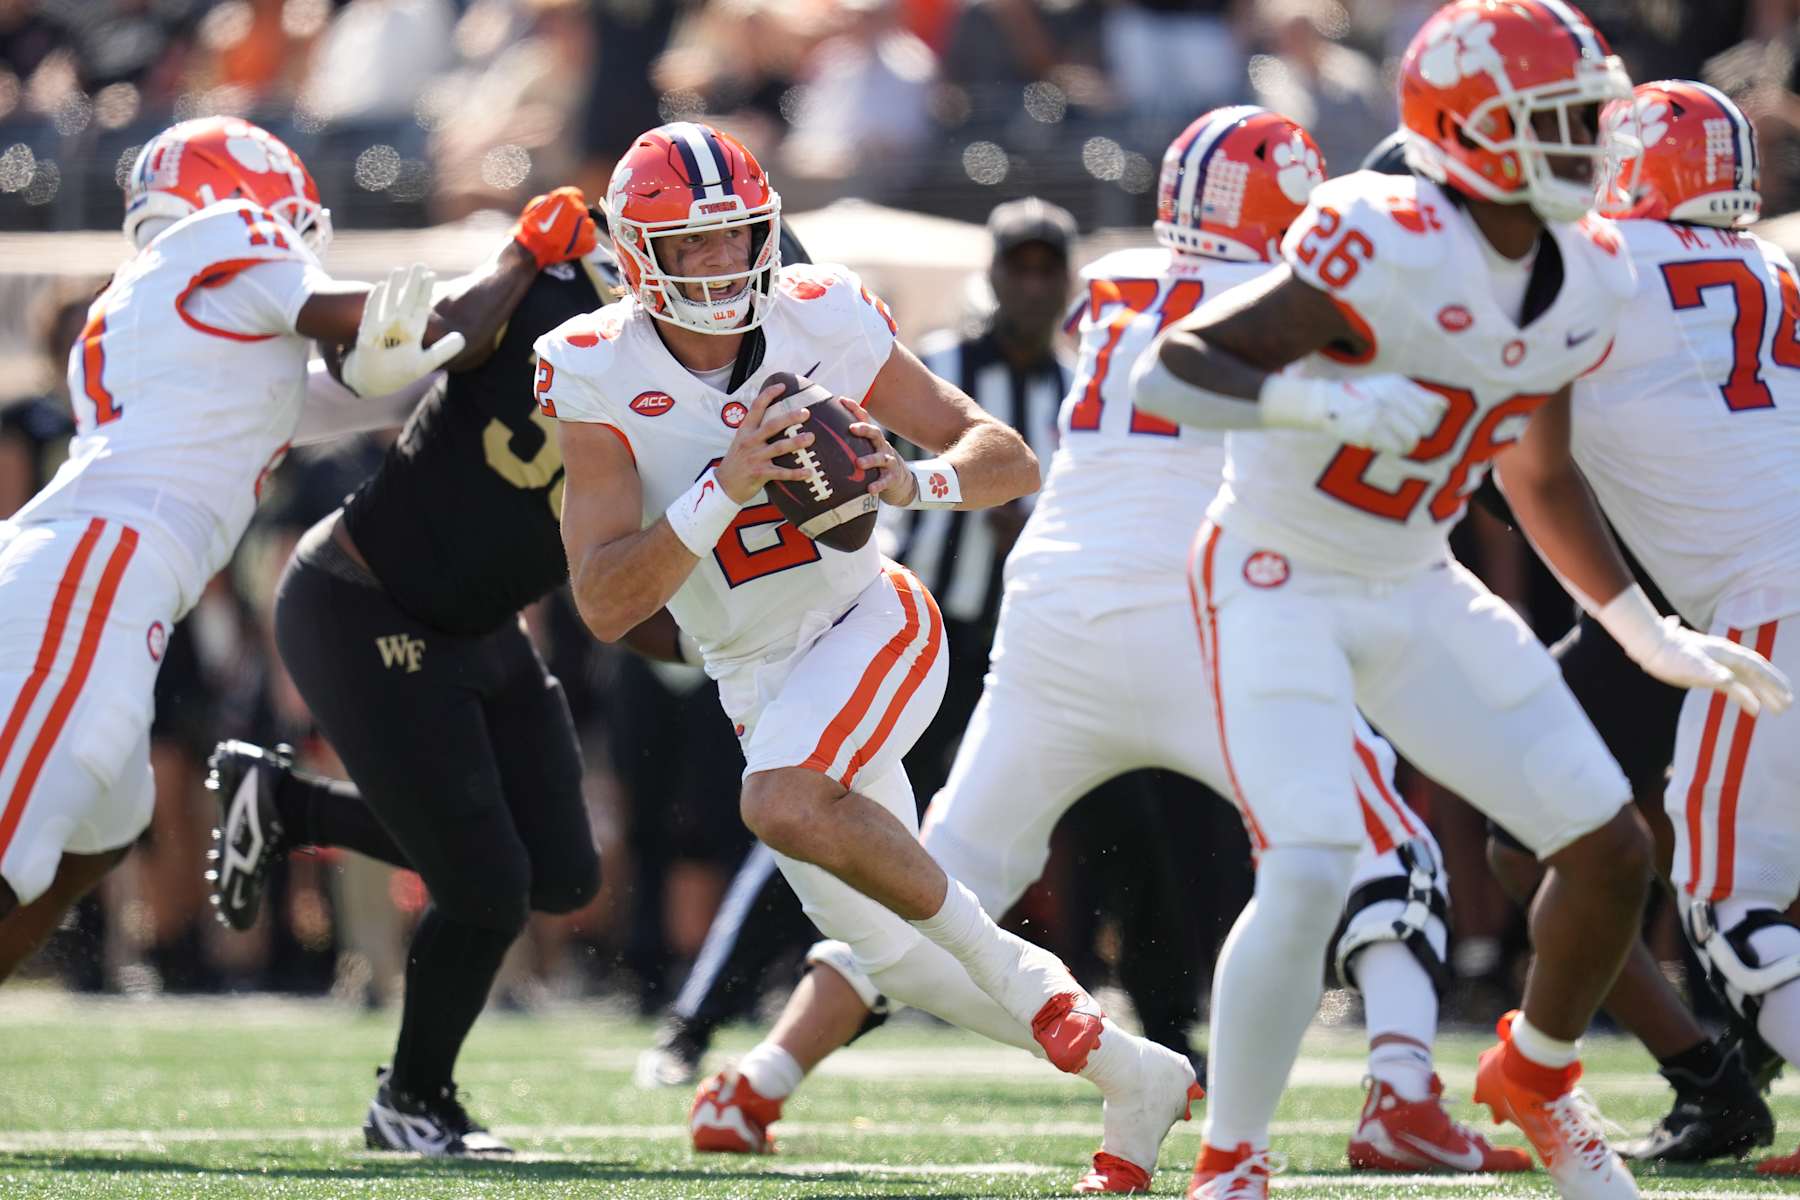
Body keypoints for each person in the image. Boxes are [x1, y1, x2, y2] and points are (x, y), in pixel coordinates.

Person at [681, 107, 1531, 1185]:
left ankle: (759, 1080)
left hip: (1053, 615)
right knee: (1384, 844)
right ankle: (1403, 1093)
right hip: (1199, 615)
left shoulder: (1118, 285)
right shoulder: (1312, 294)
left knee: (941, 880)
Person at [1129, 5, 1789, 1198]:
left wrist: (1643, 630)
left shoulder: (1589, 269)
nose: (1590, 140)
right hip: (1278, 570)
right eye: (1561, 119)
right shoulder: (1382, 230)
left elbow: (1541, 473)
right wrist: (1318, 403)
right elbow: (1171, 369)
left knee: (1608, 852)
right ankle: (1231, 1162)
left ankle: (1537, 1078)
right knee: (1311, 864)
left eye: (1590, 115)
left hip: (1413, 574)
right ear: (1467, 127)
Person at [544, 120, 1198, 1191]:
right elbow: (607, 602)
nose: (719, 262)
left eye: (735, 234)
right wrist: (724, 487)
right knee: (901, 960)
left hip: (868, 624)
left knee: (779, 801)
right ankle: (1135, 1075)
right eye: (691, 242)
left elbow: (1003, 455)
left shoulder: (820, 313)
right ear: (635, 254)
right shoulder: (593, 367)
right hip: (752, 673)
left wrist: (906, 481)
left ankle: (1042, 994)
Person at [0, 115, 524, 983]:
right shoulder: (228, 232)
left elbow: (369, 384)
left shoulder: (172, 319)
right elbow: (403, 328)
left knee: (97, 838)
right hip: (94, 575)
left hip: (95, 574)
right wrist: (525, 258)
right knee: (12, 850)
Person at [1358, 125, 1778, 1165]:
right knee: (1546, 824)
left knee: (1720, 883)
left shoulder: (1579, 264)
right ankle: (1708, 1070)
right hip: (1680, 591)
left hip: (1707, 597)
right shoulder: (1764, 265)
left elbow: (1525, 477)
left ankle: (1701, 1051)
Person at [200, 191, 642, 1154]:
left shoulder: (708, 372)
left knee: (561, 877)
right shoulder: (553, 291)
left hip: (479, 622)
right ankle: (411, 1099)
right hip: (367, 599)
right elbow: (436, 339)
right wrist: (522, 255)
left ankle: (288, 807)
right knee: (486, 888)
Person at [1573, 78, 1800, 1176]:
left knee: (1729, 905)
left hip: (1770, 606)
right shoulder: (1777, 268)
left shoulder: (1599, 264)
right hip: (1769, 585)